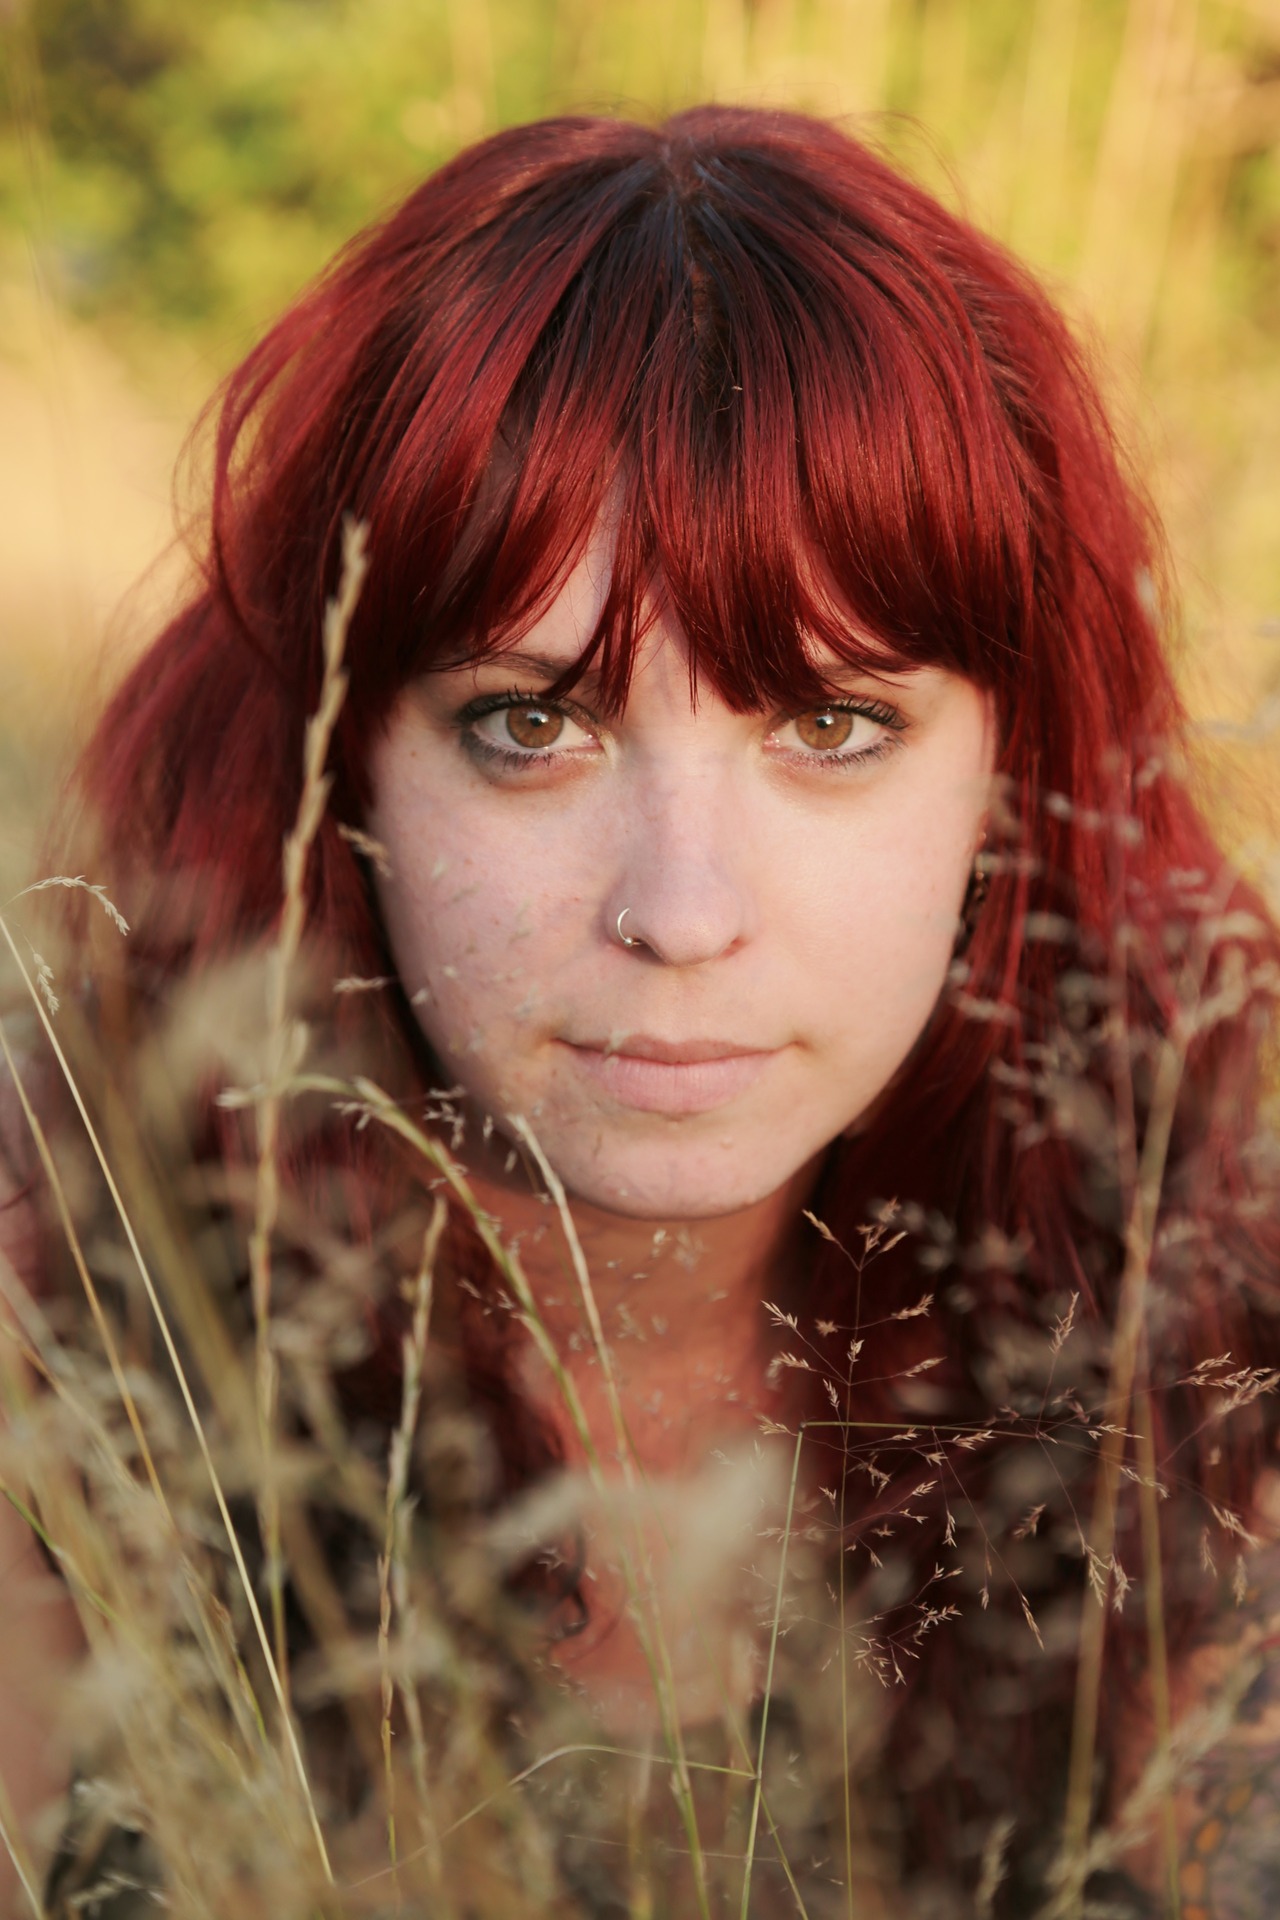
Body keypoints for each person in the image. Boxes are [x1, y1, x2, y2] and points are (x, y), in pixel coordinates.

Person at [1, 103, 1278, 1918]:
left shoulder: (1199, 1372)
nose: (679, 913)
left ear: (1018, 773)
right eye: (530, 724)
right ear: (338, 765)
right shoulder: (66, 1395)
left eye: (831, 724)